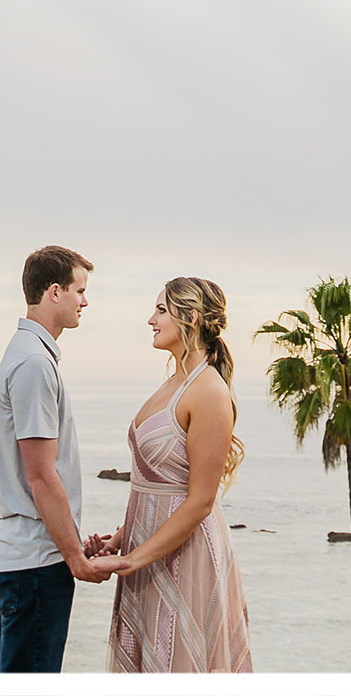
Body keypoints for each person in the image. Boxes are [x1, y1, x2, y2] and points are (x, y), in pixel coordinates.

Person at [101, 275, 254, 672]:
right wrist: (119, 540)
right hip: (147, 549)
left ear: (192, 318)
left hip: (185, 558)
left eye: (161, 310)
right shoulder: (172, 383)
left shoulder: (208, 391)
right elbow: (155, 482)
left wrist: (133, 560)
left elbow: (201, 500)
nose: (151, 319)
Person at [0, 245, 115, 673]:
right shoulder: (33, 364)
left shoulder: (32, 356)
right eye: (80, 290)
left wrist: (74, 544)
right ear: (54, 292)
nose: (85, 301)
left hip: (33, 560)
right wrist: (75, 559)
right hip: (35, 565)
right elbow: (41, 476)